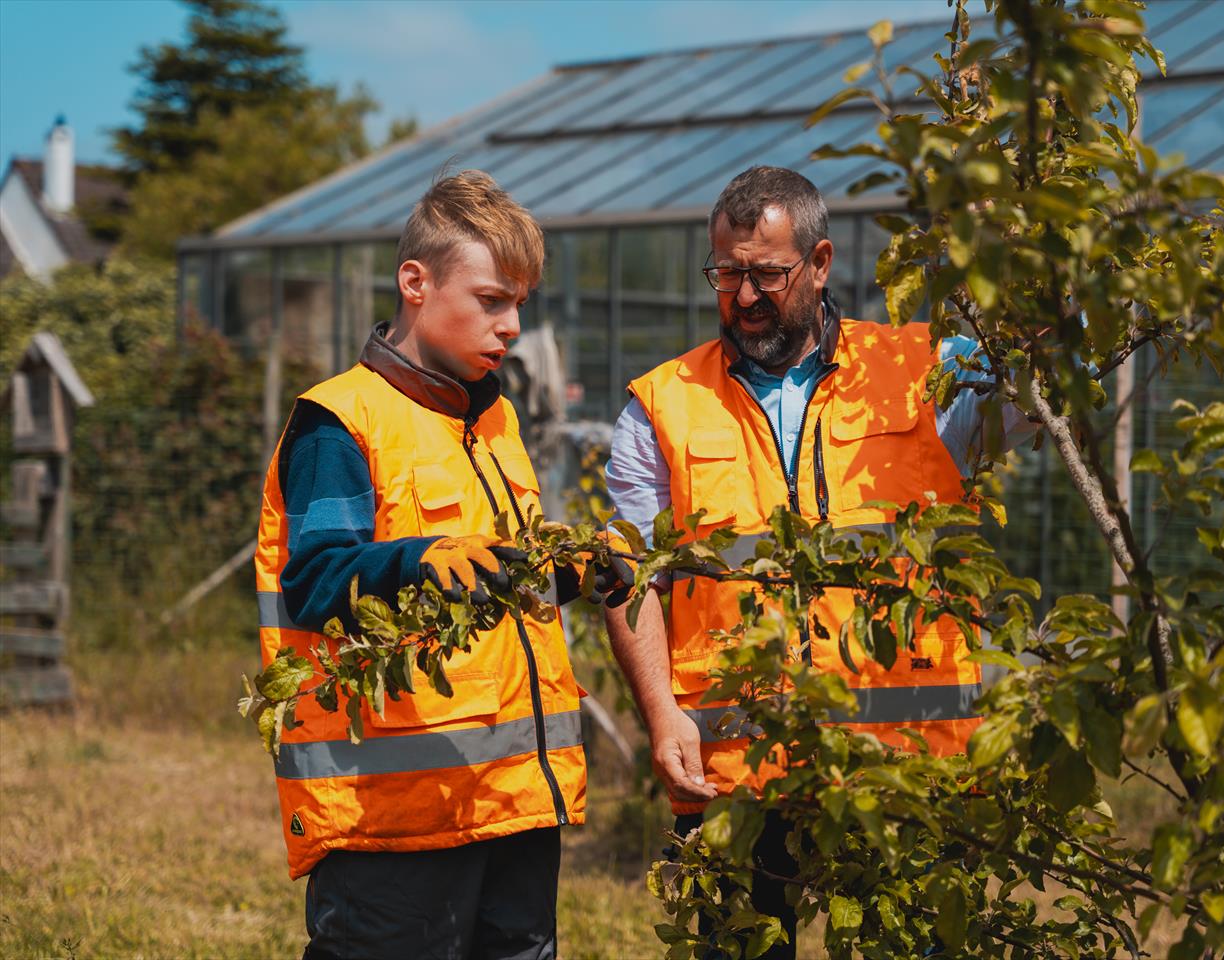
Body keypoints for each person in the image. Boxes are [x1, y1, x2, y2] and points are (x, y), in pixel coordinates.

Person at [603, 166, 1037, 957]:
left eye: (767, 273)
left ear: (821, 261)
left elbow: (1043, 373)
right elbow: (631, 580)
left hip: (904, 774)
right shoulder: (661, 404)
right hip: (734, 773)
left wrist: (1025, 242)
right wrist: (664, 717)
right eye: (726, 273)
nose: (743, 296)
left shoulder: (926, 374)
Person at [255, 170, 623, 960]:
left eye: (519, 302)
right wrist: (424, 558)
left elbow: (494, 576)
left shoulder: (493, 417)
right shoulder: (339, 422)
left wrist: (575, 569)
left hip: (516, 801)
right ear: (414, 283)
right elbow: (317, 581)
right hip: (395, 826)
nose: (513, 325)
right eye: (492, 299)